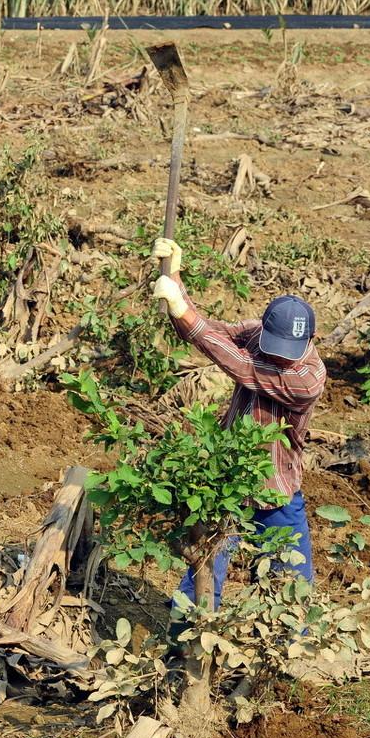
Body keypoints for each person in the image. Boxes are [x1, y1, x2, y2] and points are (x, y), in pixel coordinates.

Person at [150, 237, 326, 608]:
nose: (281, 357)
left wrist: (182, 309)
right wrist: (175, 281)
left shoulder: (307, 378)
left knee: (291, 582)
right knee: (204, 567)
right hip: (229, 479)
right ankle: (186, 642)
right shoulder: (257, 334)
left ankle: (292, 655)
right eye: (274, 345)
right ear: (265, 330)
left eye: (288, 351)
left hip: (274, 487)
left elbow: (243, 367)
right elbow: (209, 334)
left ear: (311, 339)